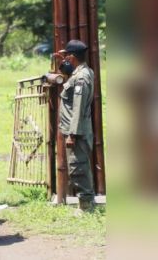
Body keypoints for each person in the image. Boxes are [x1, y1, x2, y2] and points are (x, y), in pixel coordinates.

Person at [53, 39, 95, 211]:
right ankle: (85, 204)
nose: (65, 58)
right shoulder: (82, 72)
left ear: (72, 56)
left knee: (79, 167)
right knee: (77, 166)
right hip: (75, 129)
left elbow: (78, 107)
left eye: (67, 55)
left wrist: (72, 134)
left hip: (77, 131)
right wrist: (62, 64)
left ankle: (86, 207)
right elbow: (70, 75)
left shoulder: (81, 78)